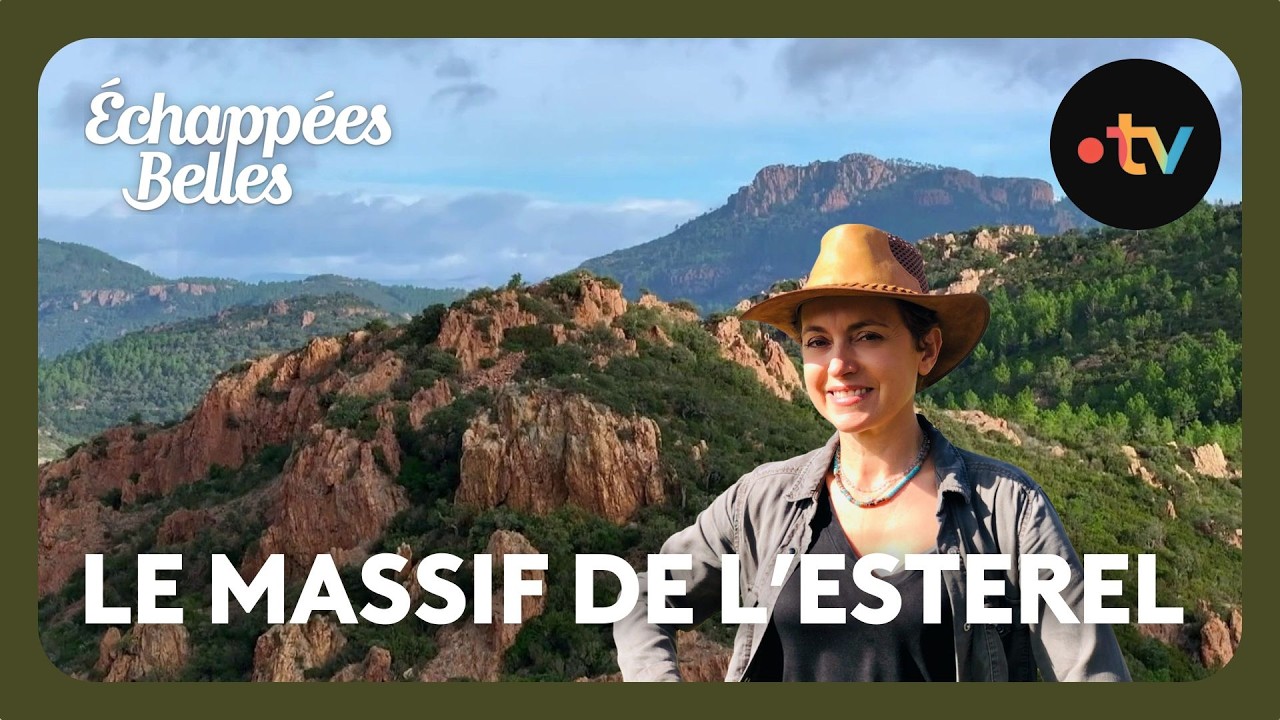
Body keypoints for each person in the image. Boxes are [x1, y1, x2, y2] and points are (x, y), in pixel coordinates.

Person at [612, 223, 1131, 682]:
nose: (838, 364)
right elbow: (639, 597)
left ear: (925, 349)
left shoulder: (1007, 512)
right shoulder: (762, 502)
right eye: (817, 341)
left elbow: (1094, 675)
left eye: (867, 335)